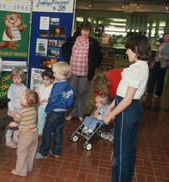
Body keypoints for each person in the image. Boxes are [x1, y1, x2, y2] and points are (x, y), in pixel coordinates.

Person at [103, 35, 150, 182]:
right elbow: (120, 94)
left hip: (126, 110)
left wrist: (110, 115)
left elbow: (127, 99)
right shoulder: (139, 66)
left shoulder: (137, 69)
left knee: (122, 153)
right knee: (124, 150)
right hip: (126, 107)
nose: (126, 52)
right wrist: (110, 108)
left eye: (128, 49)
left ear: (136, 49)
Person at [62, 21, 102, 122]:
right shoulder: (73, 39)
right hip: (73, 72)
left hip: (85, 73)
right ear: (80, 30)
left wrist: (94, 64)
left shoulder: (93, 42)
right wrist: (68, 59)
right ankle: (72, 113)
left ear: (90, 31)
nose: (85, 32)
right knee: (72, 93)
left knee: (82, 93)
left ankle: (80, 114)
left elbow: (99, 56)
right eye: (84, 30)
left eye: (87, 30)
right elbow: (64, 48)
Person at [35, 62, 74, 159]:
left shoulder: (57, 85)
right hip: (62, 112)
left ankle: (43, 152)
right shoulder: (68, 85)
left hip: (54, 111)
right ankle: (56, 151)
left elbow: (52, 99)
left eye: (55, 73)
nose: (54, 74)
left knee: (47, 131)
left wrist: (48, 109)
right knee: (58, 131)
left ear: (62, 74)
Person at [9, 89, 39, 177]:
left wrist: (10, 121)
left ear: (25, 101)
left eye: (22, 96)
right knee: (31, 151)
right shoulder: (33, 109)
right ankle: (28, 167)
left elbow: (16, 123)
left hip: (25, 136)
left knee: (22, 152)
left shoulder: (20, 112)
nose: (20, 97)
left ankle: (20, 171)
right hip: (34, 134)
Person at [5, 68, 27, 148]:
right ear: (12, 78)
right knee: (11, 125)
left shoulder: (24, 87)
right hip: (13, 111)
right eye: (14, 78)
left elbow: (25, 97)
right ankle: (8, 140)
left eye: (19, 78)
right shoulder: (12, 88)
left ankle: (15, 138)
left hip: (20, 110)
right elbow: (10, 100)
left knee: (18, 125)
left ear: (22, 78)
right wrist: (11, 110)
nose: (17, 80)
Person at [147, 31, 169, 97]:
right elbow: (157, 54)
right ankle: (150, 91)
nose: (166, 38)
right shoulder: (162, 44)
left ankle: (158, 93)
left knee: (160, 79)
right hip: (156, 62)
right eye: (165, 36)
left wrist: (162, 57)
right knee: (152, 77)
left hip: (163, 63)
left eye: (168, 37)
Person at [35, 68, 54, 136]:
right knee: (40, 120)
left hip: (50, 107)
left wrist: (48, 100)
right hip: (42, 106)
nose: (45, 81)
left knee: (50, 120)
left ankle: (50, 131)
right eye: (43, 79)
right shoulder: (40, 87)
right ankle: (40, 131)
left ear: (52, 80)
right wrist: (38, 100)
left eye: (47, 80)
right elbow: (37, 94)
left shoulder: (53, 88)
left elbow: (54, 97)